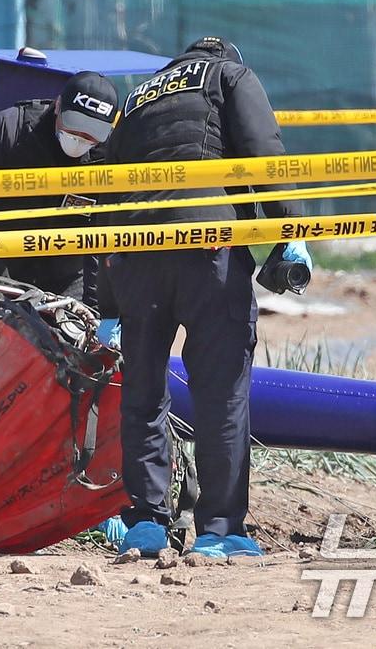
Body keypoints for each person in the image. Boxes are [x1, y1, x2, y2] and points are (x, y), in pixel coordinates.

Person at [102, 37, 311, 559]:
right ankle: (219, 529)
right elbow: (265, 152)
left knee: (144, 391)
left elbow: (107, 190)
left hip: (135, 252)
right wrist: (291, 230)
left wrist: (108, 301)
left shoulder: (138, 97)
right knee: (222, 390)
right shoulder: (230, 77)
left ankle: (146, 522)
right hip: (206, 246)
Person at [0, 70, 120, 301]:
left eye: (90, 135)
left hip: (68, 270)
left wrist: (97, 304)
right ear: (58, 106)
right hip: (1, 258)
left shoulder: (111, 154)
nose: (80, 139)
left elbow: (104, 232)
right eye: (74, 128)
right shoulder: (9, 131)